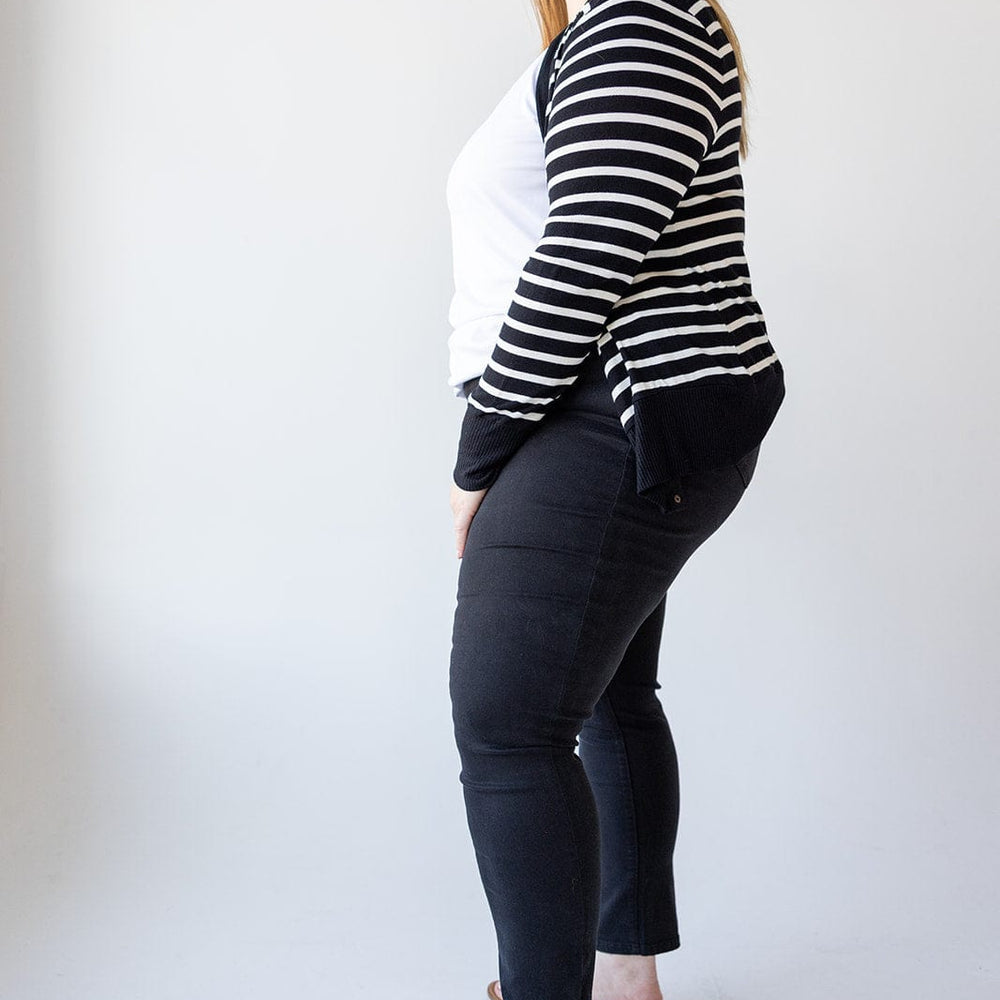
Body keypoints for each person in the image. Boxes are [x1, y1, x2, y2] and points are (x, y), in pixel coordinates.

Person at [444, 2, 786, 999]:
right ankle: (623, 976)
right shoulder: (611, 24)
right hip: (586, 414)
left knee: (507, 726)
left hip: (597, 422)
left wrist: (477, 458)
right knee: (608, 700)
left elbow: (582, 260)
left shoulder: (638, 22)